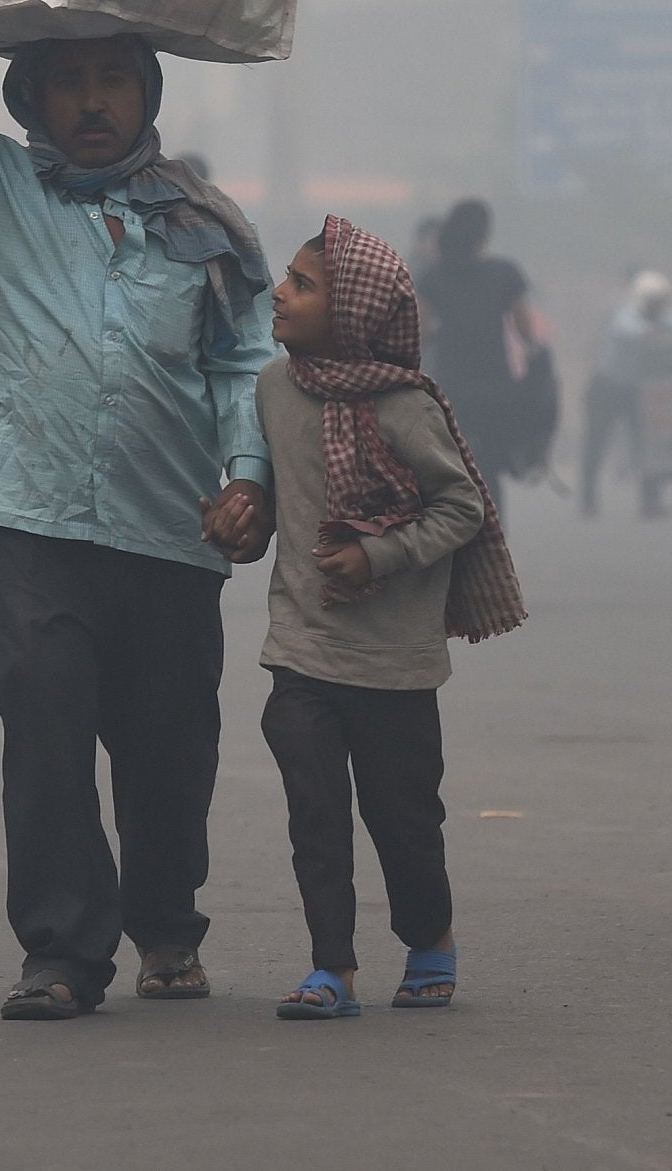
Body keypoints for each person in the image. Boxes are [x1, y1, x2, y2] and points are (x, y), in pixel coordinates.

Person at [0, 0, 275, 1021]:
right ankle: (60, 950)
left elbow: (242, 360)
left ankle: (165, 929)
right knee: (46, 730)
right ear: (33, 103)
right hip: (29, 518)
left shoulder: (201, 224)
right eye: (71, 84)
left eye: (115, 80)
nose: (94, 101)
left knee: (168, 749)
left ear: (147, 95)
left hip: (168, 527)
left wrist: (248, 474)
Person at [208, 217, 524, 1020]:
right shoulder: (274, 389)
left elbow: (462, 508)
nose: (280, 292)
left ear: (352, 312)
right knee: (314, 816)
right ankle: (333, 970)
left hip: (393, 663)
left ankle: (429, 942)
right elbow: (283, 498)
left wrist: (377, 556)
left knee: (403, 817)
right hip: (302, 649)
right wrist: (244, 521)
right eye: (287, 276)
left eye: (304, 284)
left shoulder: (405, 406)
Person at [416, 198, 546, 516]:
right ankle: (493, 531)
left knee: (455, 463)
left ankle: (458, 524)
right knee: (489, 467)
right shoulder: (505, 273)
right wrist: (535, 354)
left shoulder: (433, 277)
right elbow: (524, 326)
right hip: (497, 388)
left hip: (451, 388)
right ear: (483, 235)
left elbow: (420, 330)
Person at [580, 270, 672, 518]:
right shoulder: (624, 314)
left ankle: (650, 502)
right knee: (596, 444)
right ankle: (588, 500)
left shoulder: (662, 318)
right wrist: (660, 333)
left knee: (646, 444)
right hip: (607, 387)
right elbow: (631, 329)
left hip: (635, 390)